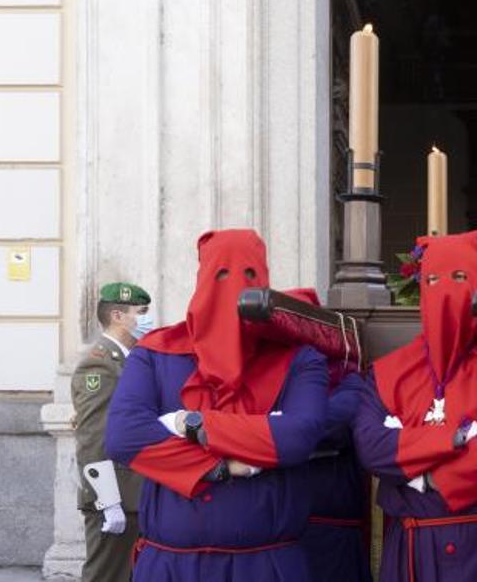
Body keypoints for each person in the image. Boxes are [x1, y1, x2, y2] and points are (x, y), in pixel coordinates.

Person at [105, 229, 329, 581]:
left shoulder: (300, 359)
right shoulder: (155, 352)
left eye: (249, 275)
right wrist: (224, 467)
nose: (234, 287)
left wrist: (191, 424)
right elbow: (123, 436)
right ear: (202, 280)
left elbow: (298, 436)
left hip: (267, 566)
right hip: (171, 567)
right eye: (221, 275)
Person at [353, 230, 477, 581]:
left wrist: (420, 477)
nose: (445, 292)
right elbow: (371, 446)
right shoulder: (390, 373)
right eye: (432, 280)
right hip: (415, 552)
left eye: (460, 278)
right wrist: (457, 437)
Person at [286, 287, 373, 582]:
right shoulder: (268, 378)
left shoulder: (349, 379)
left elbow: (329, 423)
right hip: (279, 533)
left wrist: (272, 433)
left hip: (332, 537)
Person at [71, 281, 153, 582]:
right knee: (107, 576)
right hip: (117, 497)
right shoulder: (99, 364)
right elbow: (94, 436)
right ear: (118, 316)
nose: (147, 319)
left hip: (136, 493)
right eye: (141, 312)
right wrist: (109, 502)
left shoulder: (129, 361)